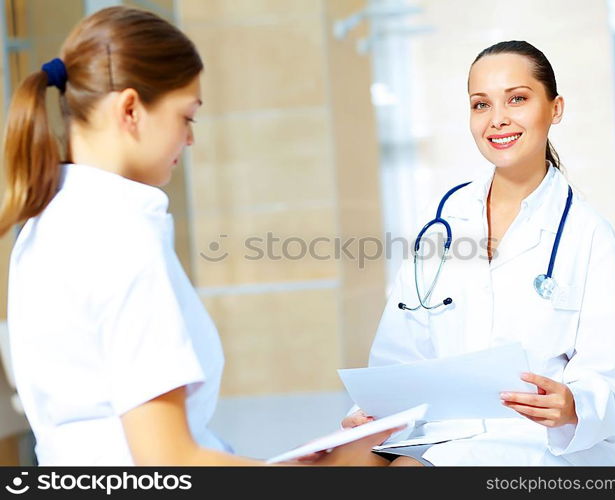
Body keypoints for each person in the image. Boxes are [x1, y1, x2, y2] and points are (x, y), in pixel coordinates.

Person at [0, 6, 395, 466]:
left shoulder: (49, 222)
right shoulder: (119, 237)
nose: (189, 139)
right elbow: (168, 462)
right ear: (130, 109)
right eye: (186, 117)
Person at [341, 40, 615, 466]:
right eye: (480, 105)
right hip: (440, 432)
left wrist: (572, 405)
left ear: (555, 108)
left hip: (538, 443)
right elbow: (399, 353)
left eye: (517, 99)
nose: (497, 120)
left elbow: (604, 378)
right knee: (345, 463)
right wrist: (369, 414)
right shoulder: (440, 222)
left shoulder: (590, 236)